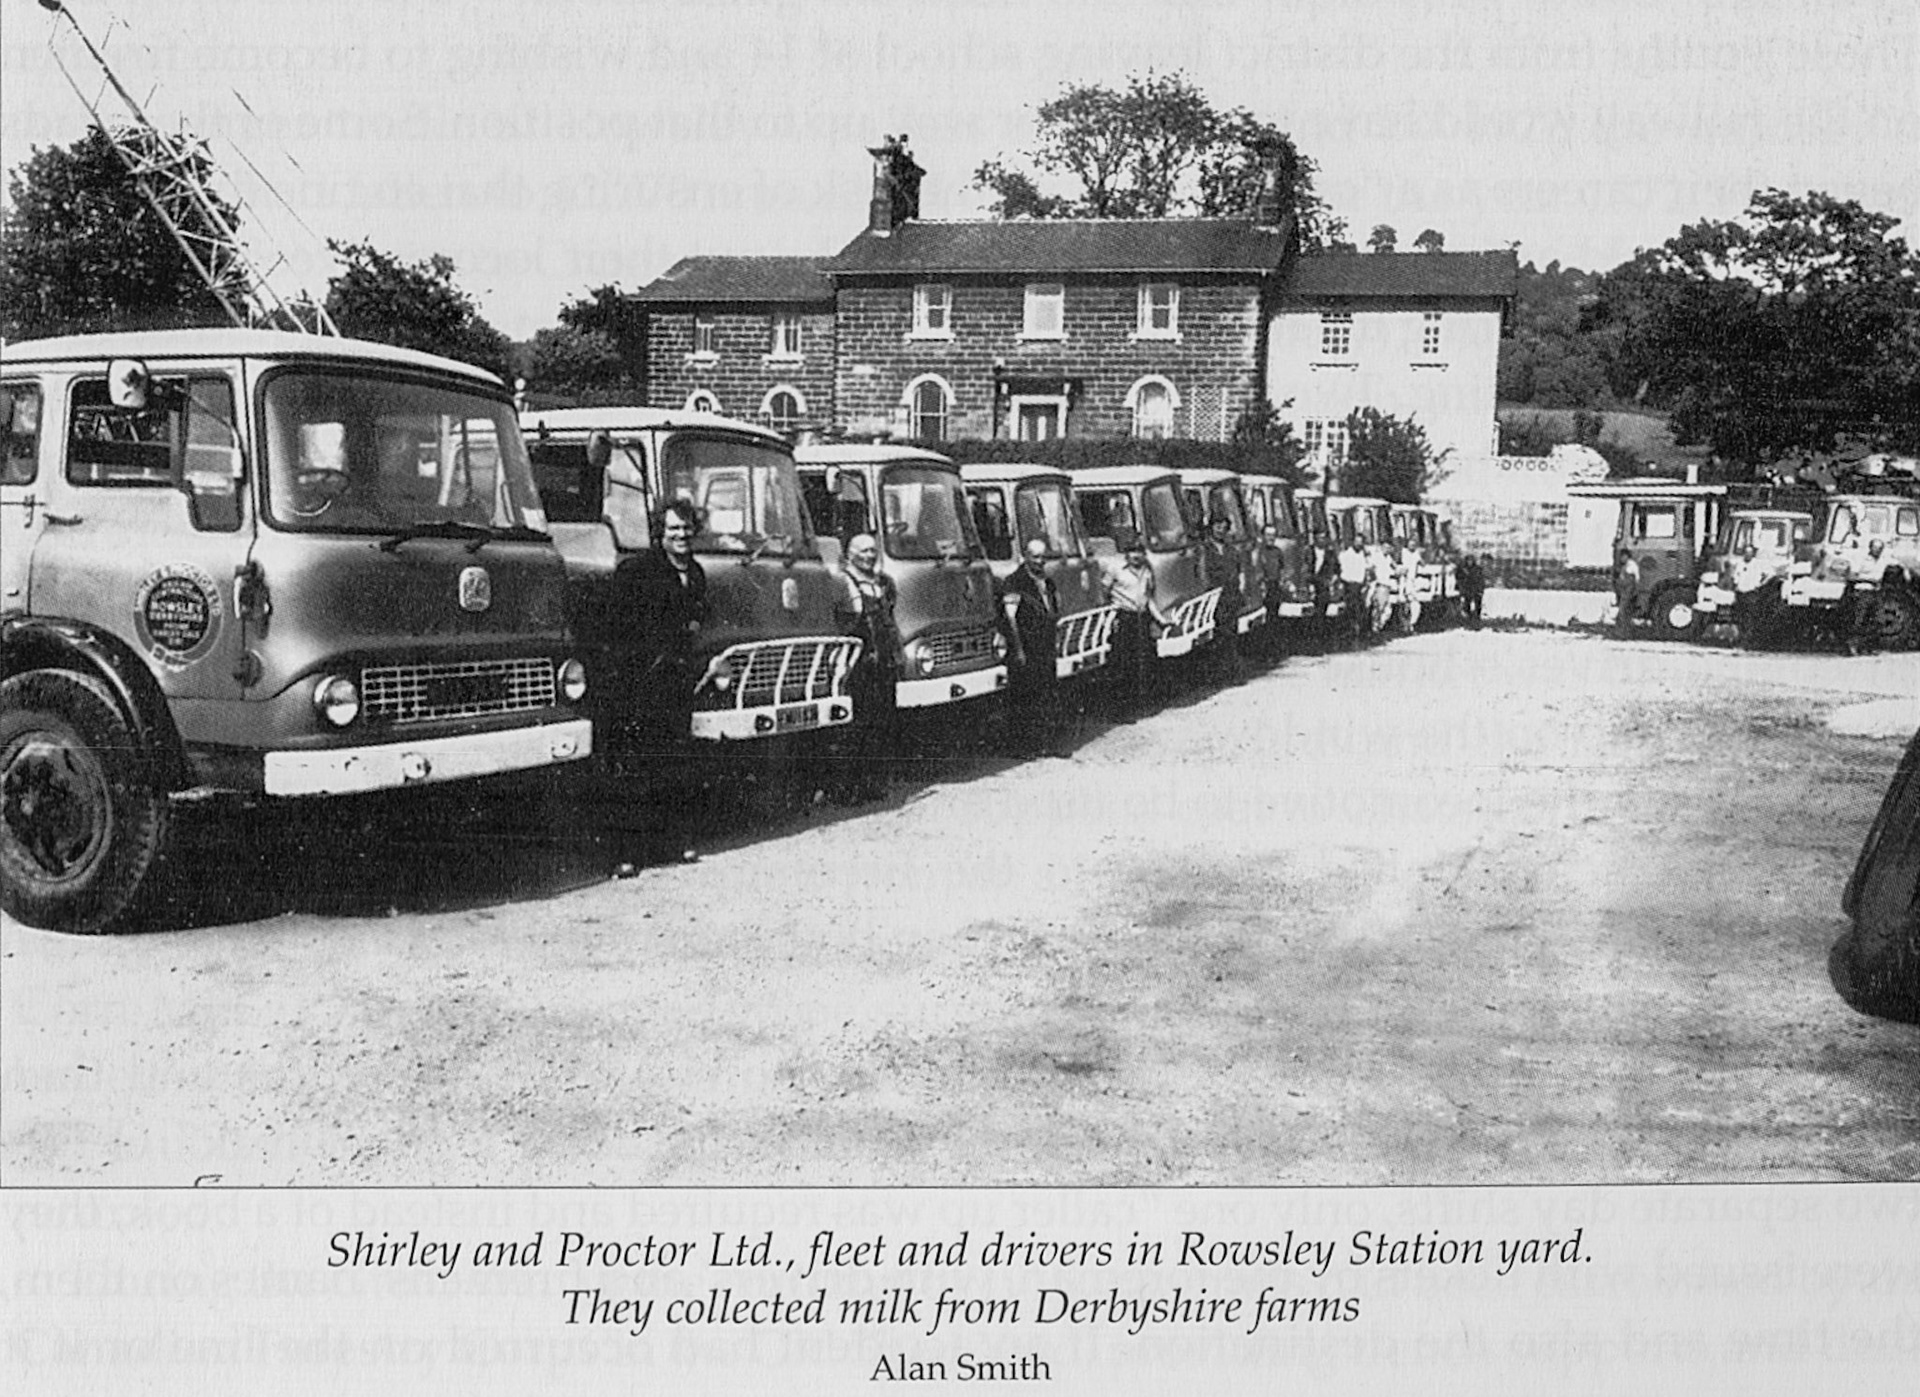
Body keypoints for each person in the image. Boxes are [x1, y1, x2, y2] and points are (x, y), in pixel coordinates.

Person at [601, 498, 708, 865]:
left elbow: (695, 620)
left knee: (674, 763)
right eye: (673, 528)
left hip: (676, 685)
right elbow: (616, 627)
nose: (681, 535)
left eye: (686, 528)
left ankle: (672, 845)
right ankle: (625, 855)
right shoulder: (638, 570)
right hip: (639, 684)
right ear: (660, 532)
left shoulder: (695, 572)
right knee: (635, 768)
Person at [834, 532, 901, 800]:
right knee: (856, 726)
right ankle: (851, 787)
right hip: (858, 664)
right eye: (863, 551)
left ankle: (875, 782)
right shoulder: (843, 581)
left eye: (873, 551)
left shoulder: (884, 583)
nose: (870, 556)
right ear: (851, 554)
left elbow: (891, 619)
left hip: (883, 662)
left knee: (882, 723)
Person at [1002, 536, 1069, 756]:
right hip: (1026, 647)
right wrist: (1019, 650)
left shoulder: (1047, 582)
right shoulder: (1014, 582)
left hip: (1046, 646)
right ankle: (1023, 747)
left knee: (1048, 694)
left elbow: (1053, 611)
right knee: (1025, 697)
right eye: (1035, 557)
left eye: (1043, 557)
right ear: (1025, 556)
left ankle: (1047, 743)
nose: (1040, 562)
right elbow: (1010, 619)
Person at [1105, 527, 1170, 714]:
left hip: (1142, 619)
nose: (1135, 555)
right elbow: (1104, 593)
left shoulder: (1147, 570)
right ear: (1125, 554)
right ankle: (1121, 709)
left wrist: (1160, 619)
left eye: (1139, 551)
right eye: (1131, 551)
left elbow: (1148, 597)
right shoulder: (1115, 570)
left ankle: (1142, 704)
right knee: (1123, 664)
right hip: (1124, 618)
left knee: (1145, 662)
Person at [1845, 539, 1890, 656]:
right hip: (1863, 590)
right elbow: (1851, 576)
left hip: (1876, 592)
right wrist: (1868, 579)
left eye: (1880, 548)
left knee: (1876, 620)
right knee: (1859, 619)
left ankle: (1868, 647)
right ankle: (1853, 646)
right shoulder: (1861, 559)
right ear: (1870, 548)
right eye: (1875, 548)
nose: (1878, 551)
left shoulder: (1882, 561)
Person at [1336, 536, 1369, 643]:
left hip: (1360, 585)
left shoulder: (1362, 555)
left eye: (1361, 542)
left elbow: (1365, 569)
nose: (1359, 544)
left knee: (1360, 609)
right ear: (1353, 542)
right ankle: (1348, 632)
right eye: (1357, 542)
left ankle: (1358, 632)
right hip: (1349, 585)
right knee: (1351, 609)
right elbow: (1341, 570)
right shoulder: (1346, 555)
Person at [1612, 547, 1641, 633]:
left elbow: (1636, 578)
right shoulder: (1623, 566)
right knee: (1624, 609)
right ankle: (1624, 628)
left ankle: (1623, 629)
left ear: (1627, 556)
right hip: (1624, 590)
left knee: (1624, 609)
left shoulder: (1632, 565)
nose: (1621, 558)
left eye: (1623, 556)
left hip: (1629, 590)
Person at [1456, 551, 1486, 628]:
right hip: (1468, 589)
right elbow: (1459, 578)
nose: (1470, 562)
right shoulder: (1463, 569)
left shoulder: (1477, 569)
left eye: (1471, 560)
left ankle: (1477, 619)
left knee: (1478, 604)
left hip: (1476, 589)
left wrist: (1481, 590)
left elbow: (1481, 579)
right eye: (1468, 560)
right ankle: (1469, 619)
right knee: (1467, 604)